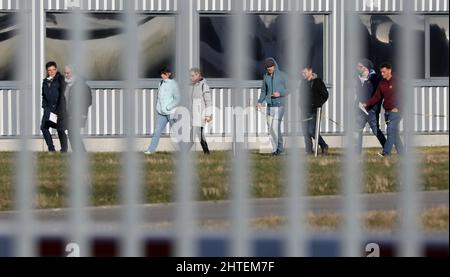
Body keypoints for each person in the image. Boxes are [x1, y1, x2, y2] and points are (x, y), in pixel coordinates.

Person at [362, 63, 404, 157]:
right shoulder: (382, 83)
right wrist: (366, 103)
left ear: (390, 70)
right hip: (387, 112)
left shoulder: (397, 81)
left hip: (396, 112)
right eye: (381, 72)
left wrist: (398, 108)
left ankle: (386, 153)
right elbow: (377, 96)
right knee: (394, 134)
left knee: (390, 130)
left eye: (384, 72)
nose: (382, 74)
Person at [144, 67, 180, 154]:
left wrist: (169, 107)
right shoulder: (160, 83)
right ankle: (150, 150)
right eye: (161, 74)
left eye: (164, 74)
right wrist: (158, 107)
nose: (162, 75)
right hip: (161, 113)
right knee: (156, 132)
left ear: (169, 74)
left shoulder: (173, 84)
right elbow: (158, 97)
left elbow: (177, 98)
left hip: (170, 113)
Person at [256, 58, 288, 156]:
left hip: (280, 105)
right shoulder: (265, 76)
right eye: (267, 67)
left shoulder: (282, 75)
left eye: (270, 67)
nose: (269, 69)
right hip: (270, 106)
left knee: (275, 128)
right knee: (270, 128)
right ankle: (275, 150)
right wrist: (260, 102)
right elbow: (263, 91)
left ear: (274, 66)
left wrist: (280, 93)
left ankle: (280, 150)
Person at [355, 59, 386, 153]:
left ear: (365, 67)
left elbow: (377, 95)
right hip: (361, 109)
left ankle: (386, 147)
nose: (357, 68)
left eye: (360, 66)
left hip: (372, 109)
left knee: (375, 129)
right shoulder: (359, 78)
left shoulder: (374, 78)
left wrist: (372, 106)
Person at [300, 65, 329, 155]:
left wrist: (316, 104)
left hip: (314, 111)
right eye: (302, 73)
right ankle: (309, 150)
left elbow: (325, 95)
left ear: (310, 71)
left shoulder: (318, 82)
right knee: (305, 132)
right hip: (304, 110)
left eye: (304, 72)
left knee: (312, 131)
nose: (303, 74)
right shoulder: (303, 82)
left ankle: (324, 145)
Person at [63, 65, 92, 152]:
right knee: (72, 134)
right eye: (65, 73)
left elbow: (88, 100)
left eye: (68, 73)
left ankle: (81, 151)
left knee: (73, 133)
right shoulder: (66, 85)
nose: (66, 75)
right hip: (68, 114)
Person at [40, 61, 68, 153]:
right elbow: (43, 96)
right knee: (44, 127)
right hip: (48, 109)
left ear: (56, 69)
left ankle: (64, 149)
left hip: (58, 109)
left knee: (60, 129)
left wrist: (60, 109)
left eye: (53, 70)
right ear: (47, 71)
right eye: (49, 70)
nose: (51, 72)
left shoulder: (61, 79)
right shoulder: (45, 81)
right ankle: (51, 149)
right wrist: (44, 107)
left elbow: (63, 95)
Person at [187, 68, 212, 154]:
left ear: (198, 75)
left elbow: (208, 101)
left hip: (200, 115)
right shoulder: (191, 86)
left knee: (192, 136)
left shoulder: (204, 86)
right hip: (192, 115)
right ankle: (207, 152)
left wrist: (208, 115)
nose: (191, 78)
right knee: (200, 135)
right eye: (190, 76)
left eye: (193, 76)